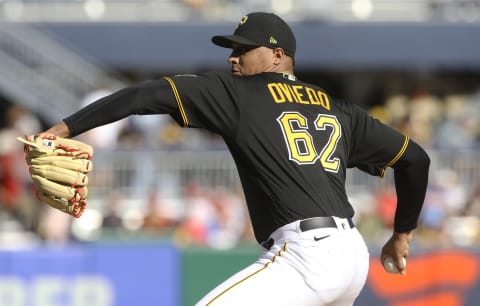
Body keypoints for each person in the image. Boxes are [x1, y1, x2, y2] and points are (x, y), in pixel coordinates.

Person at [40, 12, 430, 306]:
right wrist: (402, 234)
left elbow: (141, 96)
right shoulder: (338, 108)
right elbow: (415, 160)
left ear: (278, 55)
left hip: (305, 255)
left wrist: (62, 129)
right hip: (352, 257)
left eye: (244, 49)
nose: (233, 58)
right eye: (233, 49)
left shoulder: (239, 94)